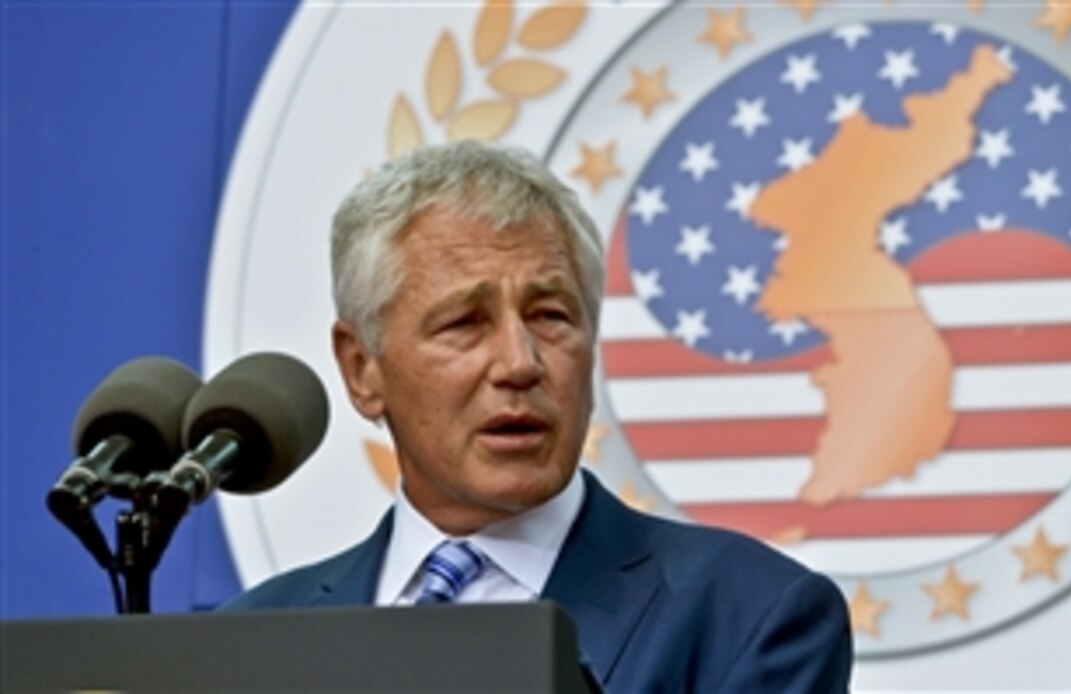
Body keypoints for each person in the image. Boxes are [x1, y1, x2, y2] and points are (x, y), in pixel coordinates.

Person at [222, 139, 853, 691]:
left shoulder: (748, 617)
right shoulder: (248, 642)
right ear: (362, 369)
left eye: (551, 317)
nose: (520, 363)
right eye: (464, 324)